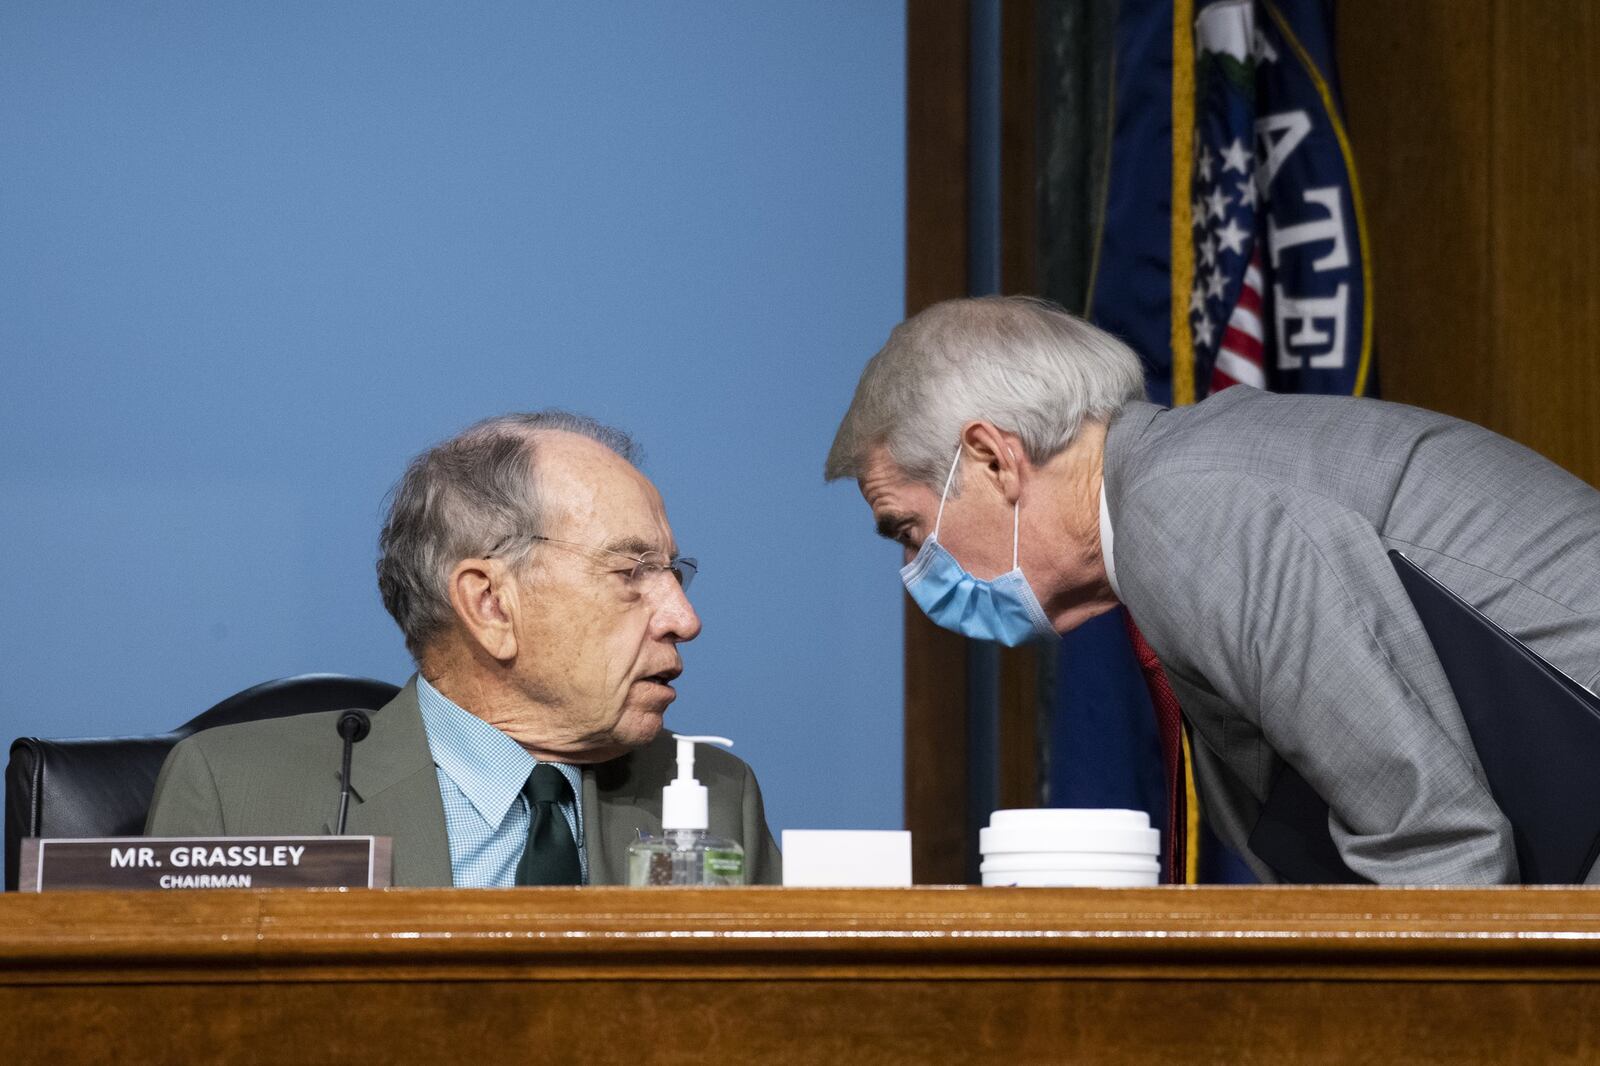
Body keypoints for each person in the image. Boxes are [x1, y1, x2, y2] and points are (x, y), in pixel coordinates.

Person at [825, 295, 1600, 885]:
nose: (917, 569)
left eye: (908, 530)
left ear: (993, 459)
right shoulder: (1174, 493)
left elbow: (1434, 844)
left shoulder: (1187, 513)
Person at [147, 411, 781, 886]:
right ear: (491, 605)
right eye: (630, 573)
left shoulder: (719, 796)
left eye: (674, 573)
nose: (684, 618)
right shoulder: (237, 793)